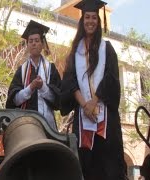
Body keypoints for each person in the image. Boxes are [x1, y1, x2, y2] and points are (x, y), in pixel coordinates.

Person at [60, 0, 127, 179]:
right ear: (82, 21)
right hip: (83, 118)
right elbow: (69, 82)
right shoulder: (75, 52)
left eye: (94, 18)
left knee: (109, 166)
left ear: (99, 21)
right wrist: (84, 105)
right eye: (87, 17)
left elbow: (111, 78)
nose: (90, 21)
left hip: (106, 119)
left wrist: (94, 101)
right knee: (85, 165)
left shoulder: (107, 48)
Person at [6, 20, 62, 131]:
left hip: (48, 127)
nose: (33, 43)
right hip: (26, 127)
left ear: (42, 44)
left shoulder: (51, 69)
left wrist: (43, 87)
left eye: (37, 40)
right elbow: (14, 101)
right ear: (27, 45)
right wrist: (31, 87)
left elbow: (58, 99)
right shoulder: (21, 71)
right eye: (30, 41)